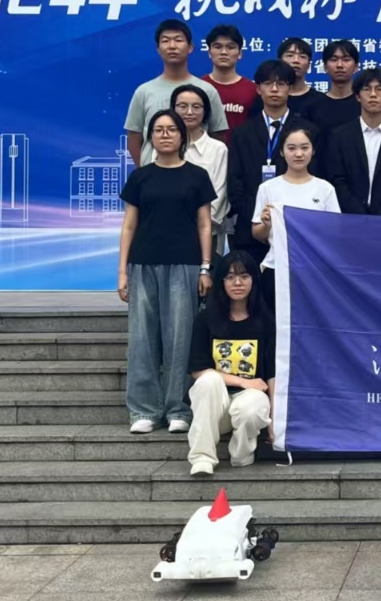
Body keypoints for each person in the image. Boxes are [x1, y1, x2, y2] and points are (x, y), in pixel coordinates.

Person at [117, 109, 215, 434]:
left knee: (180, 337)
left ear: (182, 136)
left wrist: (205, 267)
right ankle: (144, 410)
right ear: (150, 138)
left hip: (186, 264)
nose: (165, 135)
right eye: (158, 130)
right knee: (142, 337)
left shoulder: (197, 176)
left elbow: (205, 225)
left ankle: (178, 409)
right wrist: (122, 272)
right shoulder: (140, 177)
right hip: (143, 263)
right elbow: (129, 225)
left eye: (171, 129)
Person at [186, 251, 275, 474]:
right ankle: (202, 458)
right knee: (208, 380)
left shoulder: (266, 321)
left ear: (254, 280)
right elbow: (197, 371)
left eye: (244, 276)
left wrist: (275, 421)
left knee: (251, 407)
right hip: (215, 404)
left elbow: (273, 374)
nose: (237, 283)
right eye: (230, 277)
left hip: (251, 401)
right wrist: (242, 381)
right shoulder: (206, 319)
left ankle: (242, 455)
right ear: (221, 282)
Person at [225, 60, 316, 266]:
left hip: (296, 233)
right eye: (268, 83)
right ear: (258, 89)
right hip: (250, 231)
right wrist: (257, 217)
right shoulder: (242, 133)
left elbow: (314, 176)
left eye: (281, 84)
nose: (274, 89)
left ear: (290, 89)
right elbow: (235, 181)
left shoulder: (308, 131)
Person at [251, 124, 341, 299]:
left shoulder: (325, 189)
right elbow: (257, 233)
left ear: (313, 151)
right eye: (291, 148)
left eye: (304, 148)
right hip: (276, 267)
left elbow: (335, 232)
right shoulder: (268, 188)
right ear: (282, 152)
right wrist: (266, 225)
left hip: (315, 269)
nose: (298, 154)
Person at [124, 19, 228, 166]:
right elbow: (134, 137)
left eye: (178, 40)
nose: (172, 46)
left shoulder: (207, 90)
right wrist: (144, 170)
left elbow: (218, 135)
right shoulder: (144, 92)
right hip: (154, 174)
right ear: (158, 49)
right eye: (165, 41)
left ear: (190, 47)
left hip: (198, 174)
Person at [324, 68, 381, 217]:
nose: (373, 95)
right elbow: (337, 180)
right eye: (366, 89)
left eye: (379, 89)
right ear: (358, 96)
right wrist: (358, 214)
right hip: (348, 218)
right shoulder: (339, 136)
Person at [153, 85, 229, 255]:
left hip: (207, 233)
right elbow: (154, 188)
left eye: (196, 107)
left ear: (205, 111)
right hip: (164, 233)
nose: (189, 112)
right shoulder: (161, 147)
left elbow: (219, 197)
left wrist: (193, 224)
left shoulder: (218, 149)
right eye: (182, 106)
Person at [202, 24, 257, 139]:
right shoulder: (198, 87)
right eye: (217, 47)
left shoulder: (253, 90)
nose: (224, 52)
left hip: (242, 149)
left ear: (240, 53)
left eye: (230, 47)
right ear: (209, 52)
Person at [310, 39, 362, 134]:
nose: (339, 65)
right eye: (334, 60)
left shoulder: (364, 104)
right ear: (325, 67)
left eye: (346, 60)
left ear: (356, 67)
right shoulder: (313, 106)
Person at [278, 37, 321, 124]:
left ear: (309, 66)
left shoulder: (320, 101)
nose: (296, 60)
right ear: (279, 61)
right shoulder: (267, 98)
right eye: (290, 55)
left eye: (302, 56)